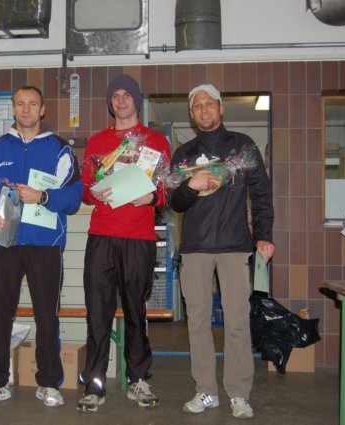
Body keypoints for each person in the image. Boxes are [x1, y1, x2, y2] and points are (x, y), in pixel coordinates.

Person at [0, 86, 83, 408]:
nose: (26, 109)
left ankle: (48, 383)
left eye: (33, 104)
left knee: (47, 316)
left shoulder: (60, 150)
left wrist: (43, 196)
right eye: (20, 104)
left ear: (43, 110)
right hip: (2, 244)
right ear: (14, 109)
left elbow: (74, 196)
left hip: (45, 245)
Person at [167, 84, 274, 419]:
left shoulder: (243, 146)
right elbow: (174, 201)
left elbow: (261, 193)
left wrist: (264, 236)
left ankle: (239, 393)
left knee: (238, 320)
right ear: (191, 113)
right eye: (197, 105)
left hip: (234, 246)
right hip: (195, 248)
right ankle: (206, 390)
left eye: (209, 103)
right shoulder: (184, 154)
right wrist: (190, 186)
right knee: (197, 321)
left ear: (221, 108)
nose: (204, 109)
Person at [77, 74, 171, 413]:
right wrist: (95, 193)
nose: (121, 100)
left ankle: (138, 379)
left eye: (126, 94)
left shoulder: (156, 142)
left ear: (137, 100)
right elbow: (85, 189)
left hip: (139, 238)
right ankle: (94, 384)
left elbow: (167, 191)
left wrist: (151, 197)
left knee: (135, 311)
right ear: (110, 103)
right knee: (97, 312)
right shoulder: (98, 142)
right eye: (115, 95)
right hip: (101, 236)